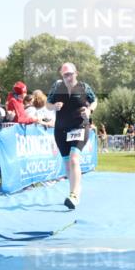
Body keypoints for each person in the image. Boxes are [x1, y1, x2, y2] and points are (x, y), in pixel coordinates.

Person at [47, 62, 96, 209]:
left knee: (74, 159)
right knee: (67, 163)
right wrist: (53, 107)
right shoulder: (57, 87)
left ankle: (74, 195)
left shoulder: (84, 87)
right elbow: (47, 104)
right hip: (61, 129)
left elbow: (94, 101)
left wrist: (89, 110)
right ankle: (74, 190)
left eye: (70, 74)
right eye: (64, 74)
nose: (67, 77)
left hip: (79, 126)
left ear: (76, 73)